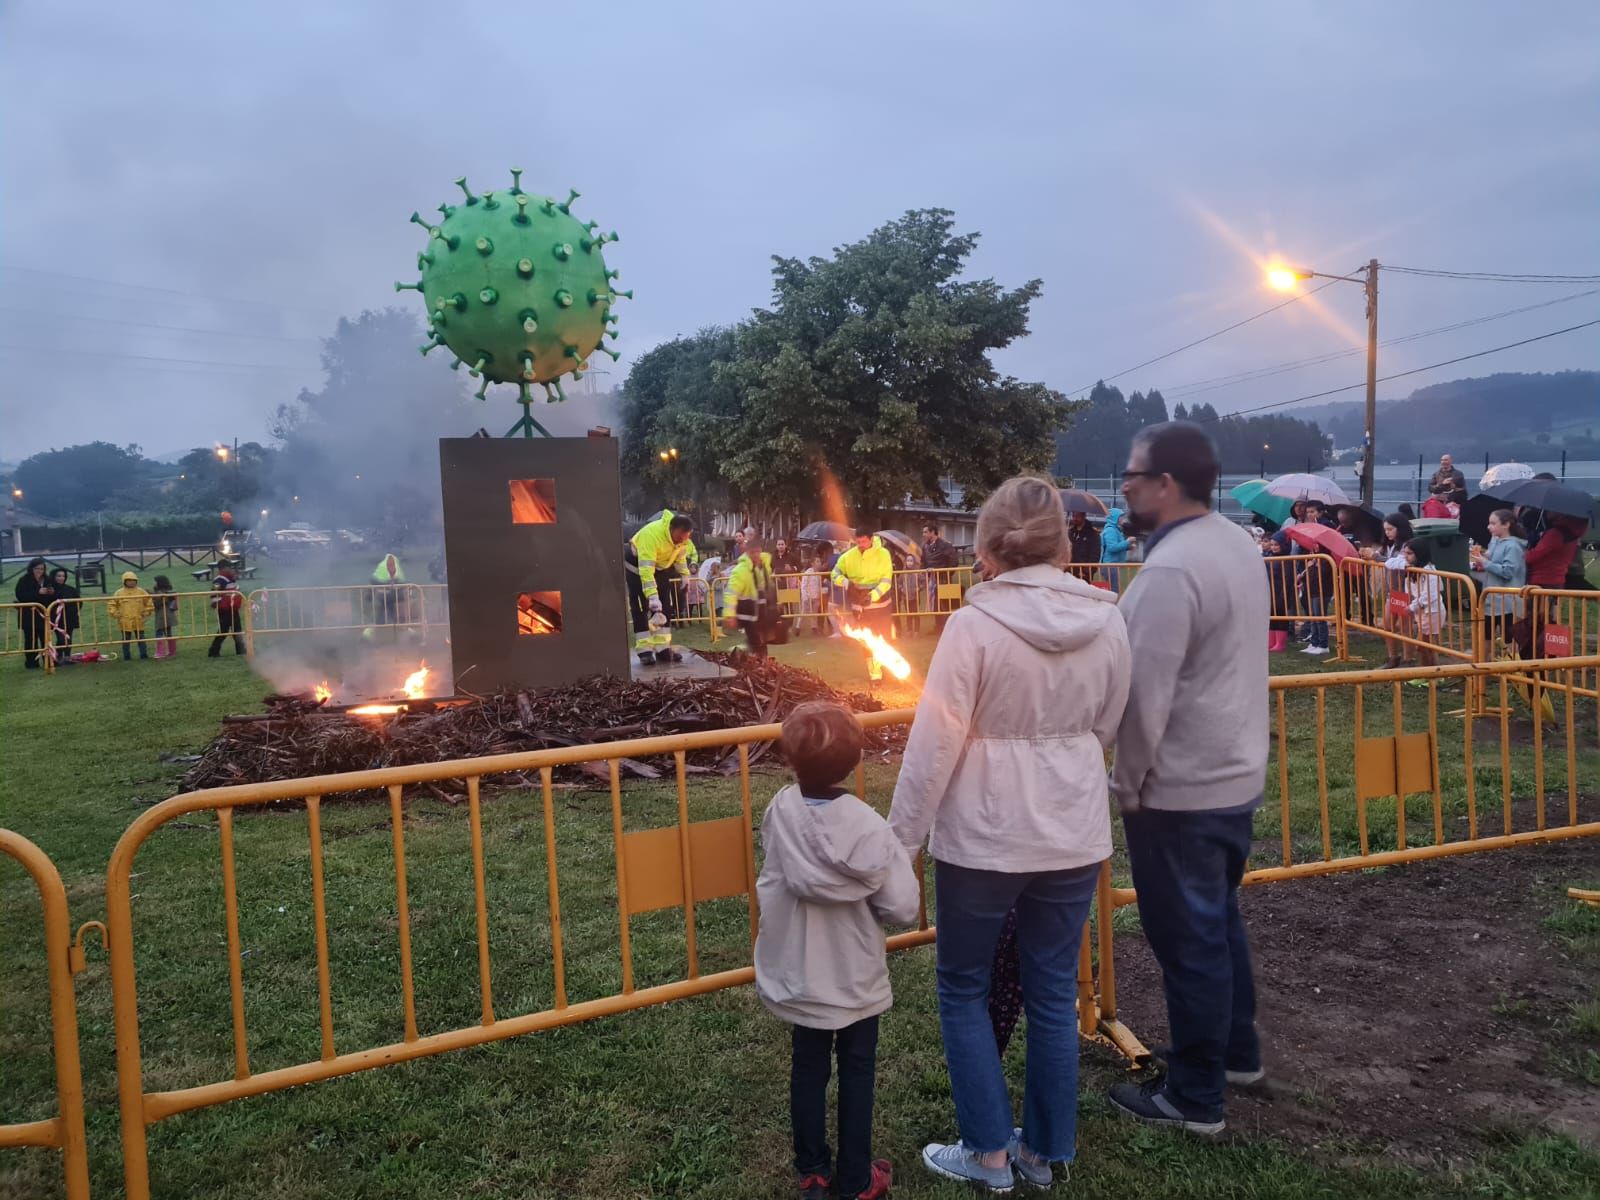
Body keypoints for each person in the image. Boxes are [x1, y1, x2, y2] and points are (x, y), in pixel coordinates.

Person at [889, 474, 1131, 1191]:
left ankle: (989, 1152)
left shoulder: (974, 625)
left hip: (985, 836)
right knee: (1054, 990)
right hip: (1072, 830)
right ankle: (1043, 1150)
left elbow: (934, 743)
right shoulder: (1109, 619)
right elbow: (1110, 724)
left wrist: (899, 842)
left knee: (962, 987)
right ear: (1061, 540)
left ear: (988, 546)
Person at [1108, 421, 1268, 1138]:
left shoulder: (1171, 573)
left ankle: (1196, 1095)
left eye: (1133, 476)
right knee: (1217, 924)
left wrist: (1128, 784)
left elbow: (1142, 702)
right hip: (1233, 777)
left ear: (1166, 485)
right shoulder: (1235, 543)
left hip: (1178, 789)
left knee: (1189, 941)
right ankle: (1237, 1053)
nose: (1124, 488)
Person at [756, 701, 918, 1200]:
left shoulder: (779, 812)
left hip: (800, 973)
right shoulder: (869, 828)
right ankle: (855, 1179)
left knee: (807, 1068)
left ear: (790, 760)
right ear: (855, 762)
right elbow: (903, 906)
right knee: (857, 1070)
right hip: (854, 977)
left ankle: (813, 1173)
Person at [627, 511, 694, 666]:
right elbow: (645, 570)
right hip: (637, 568)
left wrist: (685, 575)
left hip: (660, 568)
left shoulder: (682, 539)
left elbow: (680, 556)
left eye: (686, 536)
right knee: (640, 608)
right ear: (672, 528)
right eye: (681, 536)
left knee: (665, 607)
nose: (683, 540)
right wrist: (652, 596)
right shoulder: (651, 535)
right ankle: (645, 651)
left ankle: (663, 649)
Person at [831, 533, 895, 681]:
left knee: (883, 638)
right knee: (866, 640)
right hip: (859, 607)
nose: (861, 545)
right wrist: (846, 582)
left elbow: (886, 579)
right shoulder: (848, 556)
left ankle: (884, 667)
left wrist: (873, 595)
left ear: (871, 539)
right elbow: (834, 573)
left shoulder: (883, 554)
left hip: (881, 605)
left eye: (864, 541)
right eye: (858, 542)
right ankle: (875, 675)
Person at [721, 532, 786, 658]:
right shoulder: (740, 570)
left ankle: (756, 658)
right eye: (753, 552)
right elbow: (731, 593)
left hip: (763, 612)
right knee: (756, 640)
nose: (756, 555)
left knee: (762, 640)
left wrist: (776, 603)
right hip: (748, 613)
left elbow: (768, 587)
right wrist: (729, 615)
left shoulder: (764, 565)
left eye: (758, 552)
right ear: (748, 552)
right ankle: (751, 657)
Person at [1472, 509, 1525, 654]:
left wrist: (1486, 563)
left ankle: (1511, 667)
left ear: (1506, 525)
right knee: (1486, 634)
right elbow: (1491, 557)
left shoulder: (1513, 546)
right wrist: (1481, 557)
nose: (1489, 527)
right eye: (1489, 523)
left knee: (1509, 637)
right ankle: (1485, 667)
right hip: (1491, 599)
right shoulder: (1495, 541)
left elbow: (1508, 572)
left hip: (1507, 601)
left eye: (1493, 523)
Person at [1373, 514, 1415, 668]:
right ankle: (1393, 657)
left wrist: (1377, 558)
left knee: (1405, 627)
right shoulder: (1388, 545)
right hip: (1393, 590)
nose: (1387, 532)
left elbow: (1400, 563)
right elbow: (1382, 556)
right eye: (1385, 530)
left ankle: (1407, 659)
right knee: (1388, 625)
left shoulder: (1408, 546)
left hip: (1406, 591)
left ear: (1400, 528)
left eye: (1390, 529)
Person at [1400, 539, 1444, 675]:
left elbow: (1430, 595)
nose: (1406, 556)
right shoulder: (1412, 570)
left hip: (1432, 611)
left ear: (1420, 554)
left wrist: (1412, 607)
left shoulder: (1430, 573)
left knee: (1428, 645)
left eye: (1410, 553)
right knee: (1424, 646)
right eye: (1405, 553)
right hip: (1422, 611)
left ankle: (1435, 675)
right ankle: (1426, 674)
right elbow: (1410, 590)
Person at [13, 557, 54, 669]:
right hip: (29, 615)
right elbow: (21, 596)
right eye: (37, 568)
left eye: (42, 568)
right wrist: (38, 592)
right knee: (31, 639)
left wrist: (51, 592)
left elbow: (52, 595)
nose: (40, 571)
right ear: (31, 568)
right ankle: (31, 663)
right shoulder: (24, 580)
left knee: (46, 639)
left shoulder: (47, 579)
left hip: (43, 614)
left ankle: (48, 661)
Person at [920, 523, 959, 632]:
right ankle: (938, 627)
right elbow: (923, 561)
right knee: (935, 604)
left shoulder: (945, 545)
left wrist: (945, 573)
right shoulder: (925, 546)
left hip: (943, 579)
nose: (923, 534)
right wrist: (925, 571)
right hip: (932, 580)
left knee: (944, 604)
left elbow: (954, 561)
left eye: (925, 532)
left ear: (932, 532)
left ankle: (947, 628)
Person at [108, 571, 154, 661]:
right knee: (126, 640)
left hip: (138, 620)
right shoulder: (119, 593)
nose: (131, 582)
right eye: (129, 580)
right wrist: (116, 613)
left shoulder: (141, 592)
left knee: (141, 639)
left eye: (133, 580)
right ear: (124, 581)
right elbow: (112, 604)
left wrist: (146, 612)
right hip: (125, 621)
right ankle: (127, 657)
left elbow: (149, 602)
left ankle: (144, 655)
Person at [208, 572, 247, 657]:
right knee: (223, 631)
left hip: (233, 608)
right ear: (223, 568)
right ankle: (213, 651)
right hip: (224, 610)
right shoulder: (218, 580)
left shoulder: (231, 579)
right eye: (228, 567)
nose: (230, 569)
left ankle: (240, 649)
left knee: (237, 630)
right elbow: (214, 593)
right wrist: (216, 604)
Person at [48, 567, 80, 665]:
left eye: (63, 576)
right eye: (58, 576)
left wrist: (73, 611)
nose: (61, 578)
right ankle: (58, 657)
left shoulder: (71, 589)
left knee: (68, 638)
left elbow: (78, 602)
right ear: (53, 577)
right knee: (61, 639)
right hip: (56, 620)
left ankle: (67, 657)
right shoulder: (50, 590)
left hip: (69, 618)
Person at [1100, 505, 1132, 592]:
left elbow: (1117, 546)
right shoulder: (1111, 530)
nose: (1123, 519)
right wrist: (1127, 542)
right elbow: (1112, 547)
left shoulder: (1116, 530)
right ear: (1115, 518)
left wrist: (1127, 547)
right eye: (1120, 516)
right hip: (1110, 565)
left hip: (1112, 565)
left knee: (1113, 590)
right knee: (1113, 591)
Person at [370, 553, 406, 625]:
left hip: (383, 592)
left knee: (385, 607)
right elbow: (401, 580)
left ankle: (382, 623)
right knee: (388, 606)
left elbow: (373, 579)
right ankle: (390, 622)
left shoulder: (381, 564)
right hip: (389, 592)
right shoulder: (395, 564)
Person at [151, 575, 180, 659]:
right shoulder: (169, 592)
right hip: (169, 615)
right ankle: (172, 651)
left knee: (159, 633)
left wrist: (152, 597)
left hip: (162, 616)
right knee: (168, 633)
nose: (153, 583)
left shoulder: (161, 593)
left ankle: (160, 653)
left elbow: (157, 604)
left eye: (155, 581)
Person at [1065, 510, 1101, 575]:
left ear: (1084, 516)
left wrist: (1086, 571)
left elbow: (1095, 555)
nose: (1075, 518)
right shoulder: (1070, 532)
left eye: (1077, 516)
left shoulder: (1093, 534)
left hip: (1083, 573)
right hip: (1069, 571)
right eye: (1073, 516)